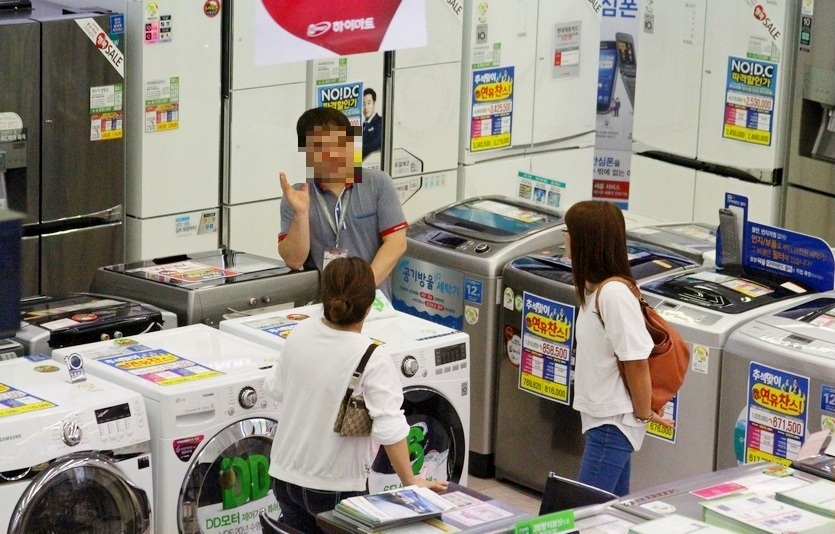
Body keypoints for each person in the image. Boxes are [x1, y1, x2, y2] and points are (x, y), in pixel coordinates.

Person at [265, 257, 447, 532]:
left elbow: (274, 388)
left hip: (283, 477)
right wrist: (412, 483)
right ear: (369, 304)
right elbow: (391, 429)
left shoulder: (300, 333)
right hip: (334, 486)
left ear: (324, 296)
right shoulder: (372, 356)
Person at [564, 201, 674, 496]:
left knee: (582, 511)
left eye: (569, 231)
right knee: (611, 515)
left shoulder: (613, 295)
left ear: (587, 240)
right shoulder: (594, 290)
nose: (565, 238)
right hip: (606, 422)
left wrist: (643, 415)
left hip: (613, 425)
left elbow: (635, 361)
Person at [278, 106, 407, 298]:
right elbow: (294, 261)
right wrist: (301, 213)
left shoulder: (378, 183)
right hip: (320, 306)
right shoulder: (298, 195)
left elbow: (396, 243)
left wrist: (361, 289)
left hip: (372, 302)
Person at [362, 87, 383, 159]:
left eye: (368, 103)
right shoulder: (360, 126)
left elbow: (374, 146)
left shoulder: (381, 122)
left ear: (374, 103)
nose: (366, 107)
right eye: (363, 104)